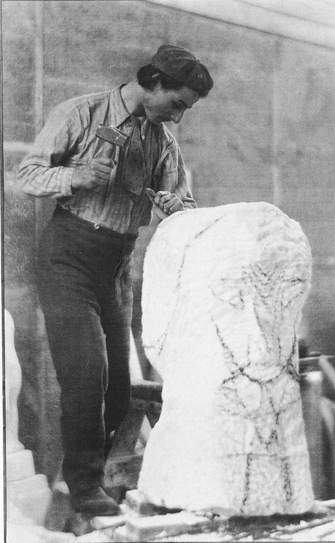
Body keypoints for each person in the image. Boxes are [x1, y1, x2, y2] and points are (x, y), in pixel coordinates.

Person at [18, 44, 213, 516]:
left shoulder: (163, 142)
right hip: (68, 256)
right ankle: (84, 487)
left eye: (185, 110)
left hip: (116, 265)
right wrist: (77, 176)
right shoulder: (81, 114)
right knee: (87, 373)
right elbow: (27, 175)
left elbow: (185, 205)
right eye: (177, 104)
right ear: (154, 82)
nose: (178, 117)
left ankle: (98, 473)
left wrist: (175, 209)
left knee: (119, 392)